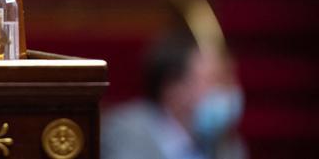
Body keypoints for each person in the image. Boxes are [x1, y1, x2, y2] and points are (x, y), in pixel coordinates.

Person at [102, 31, 246, 159]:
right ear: (173, 88)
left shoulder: (227, 144)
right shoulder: (126, 134)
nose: (230, 90)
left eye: (230, 79)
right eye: (217, 79)